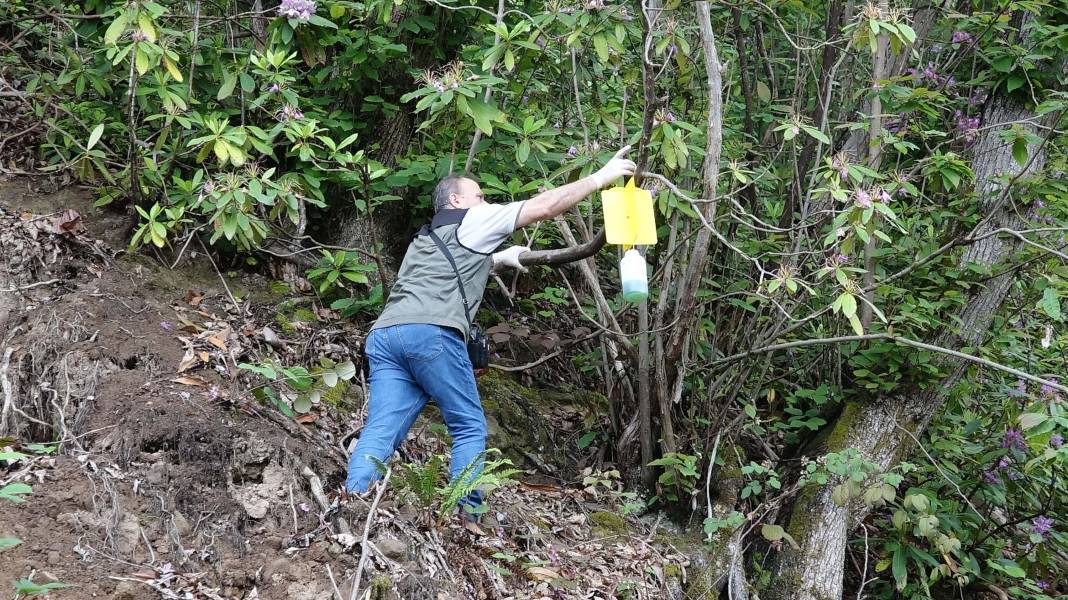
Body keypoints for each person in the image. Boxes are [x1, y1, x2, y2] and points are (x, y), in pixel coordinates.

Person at [345, 145, 636, 516]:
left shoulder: (422, 240)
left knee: (382, 429)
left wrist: (500, 257)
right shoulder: (474, 218)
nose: (485, 200)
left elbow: (452, 267)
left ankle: (351, 505)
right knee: (468, 427)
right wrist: (601, 177)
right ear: (456, 198)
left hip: (385, 337)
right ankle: (466, 516)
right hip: (430, 335)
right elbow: (546, 206)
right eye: (479, 195)